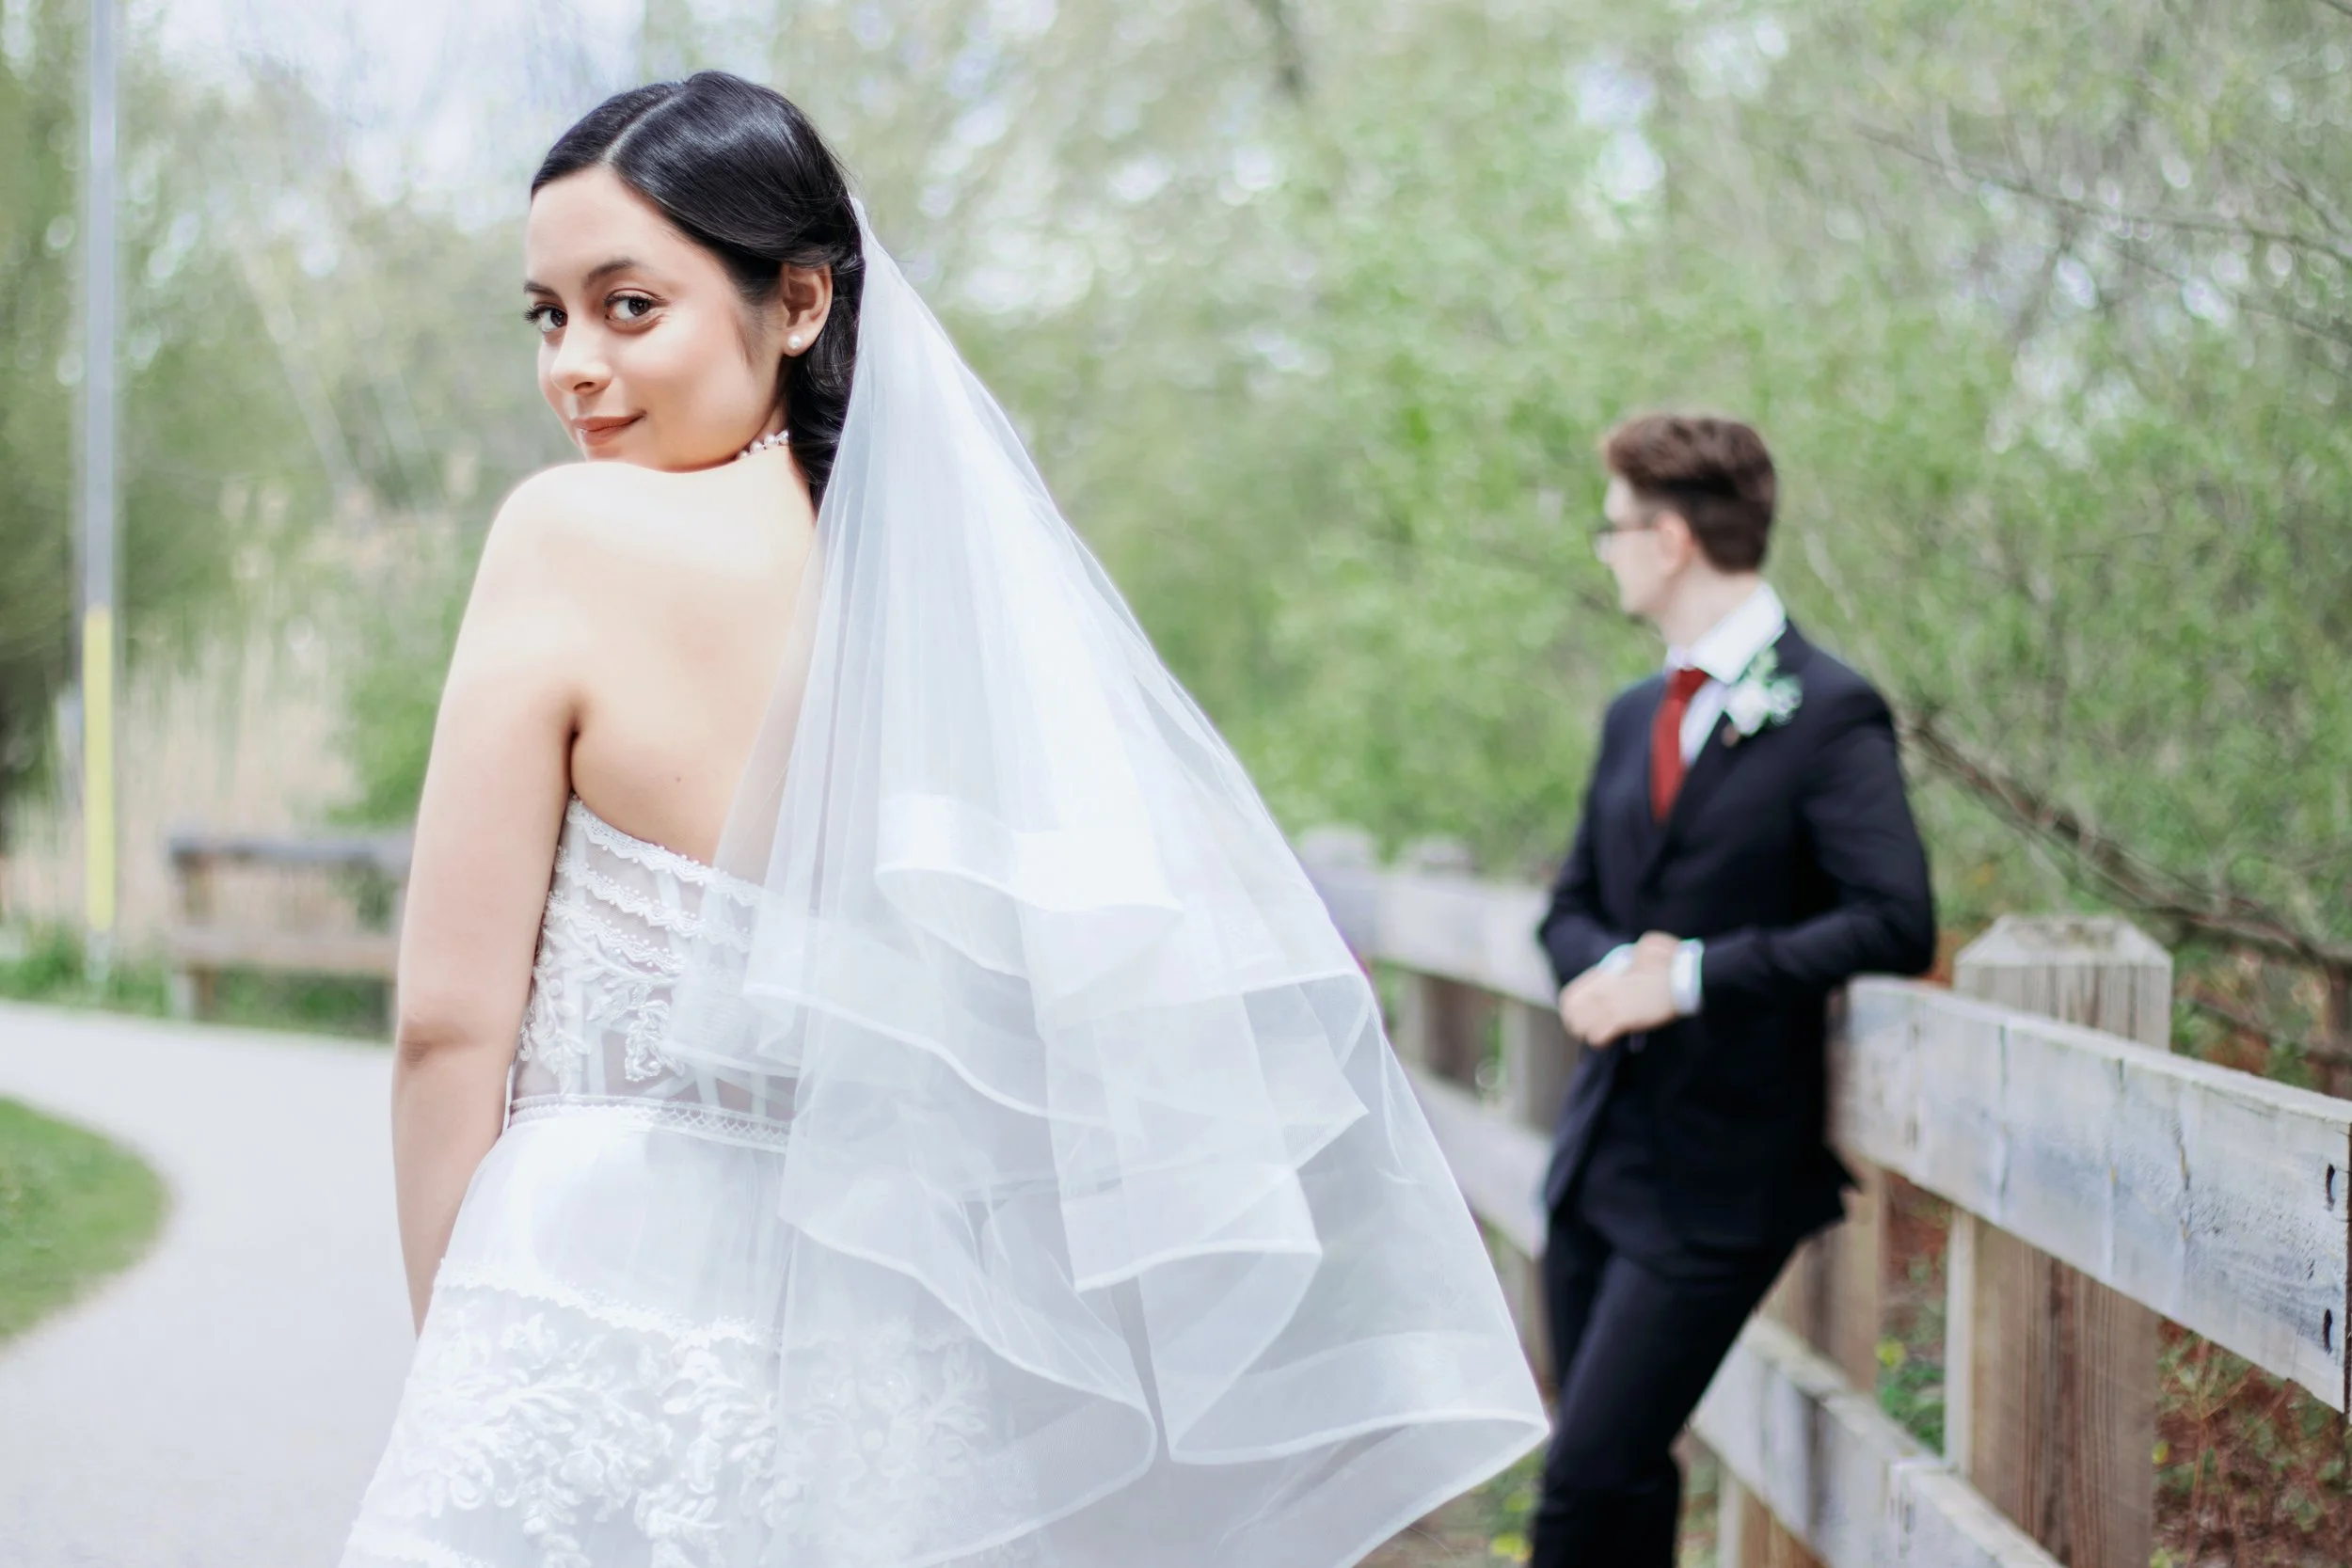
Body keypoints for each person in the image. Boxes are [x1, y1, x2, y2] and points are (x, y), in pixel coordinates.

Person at [341, 71, 1545, 1568]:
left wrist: (461, 1360)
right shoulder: (955, 608)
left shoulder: (566, 536)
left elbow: (448, 1026)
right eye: (546, 315)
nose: (573, 366)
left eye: (627, 306)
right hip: (878, 1347)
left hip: (585, 1276)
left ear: (796, 302)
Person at [1525, 414, 1936, 1567]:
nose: (1602, 551)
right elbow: (1566, 909)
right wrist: (1610, 975)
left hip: (1720, 1180)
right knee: (1623, 1474)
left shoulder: (1827, 709)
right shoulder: (1627, 716)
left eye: (1610, 528)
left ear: (1666, 538)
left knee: (1585, 1475)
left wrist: (1693, 978)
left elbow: (1896, 918)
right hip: (1597, 1157)